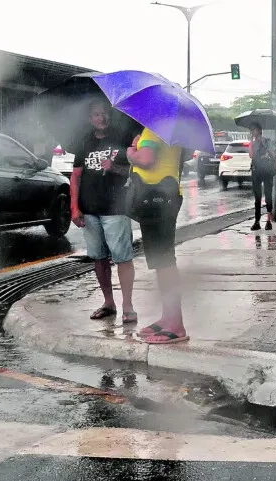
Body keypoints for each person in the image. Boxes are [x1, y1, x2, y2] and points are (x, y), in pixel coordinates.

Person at [70, 100, 136, 323]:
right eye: (97, 114)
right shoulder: (85, 141)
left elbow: (137, 169)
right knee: (98, 258)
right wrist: (74, 208)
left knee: (122, 257)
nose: (102, 118)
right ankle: (109, 303)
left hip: (116, 209)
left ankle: (128, 306)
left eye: (105, 113)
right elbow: (76, 176)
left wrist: (115, 167)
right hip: (90, 210)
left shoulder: (122, 137)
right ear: (90, 119)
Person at [125, 127, 188, 344]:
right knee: (161, 262)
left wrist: (131, 152)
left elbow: (146, 159)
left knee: (165, 262)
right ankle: (167, 318)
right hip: (161, 198)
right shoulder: (167, 130)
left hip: (157, 199)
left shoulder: (155, 129)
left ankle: (176, 325)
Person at [248, 124, 276, 231]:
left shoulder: (267, 141)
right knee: (257, 198)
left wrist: (265, 146)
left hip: (267, 171)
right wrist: (251, 143)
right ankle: (257, 221)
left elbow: (274, 155)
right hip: (256, 171)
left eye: (254, 130)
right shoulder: (253, 143)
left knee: (268, 196)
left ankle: (268, 221)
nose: (252, 132)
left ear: (259, 130)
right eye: (251, 130)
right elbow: (251, 155)